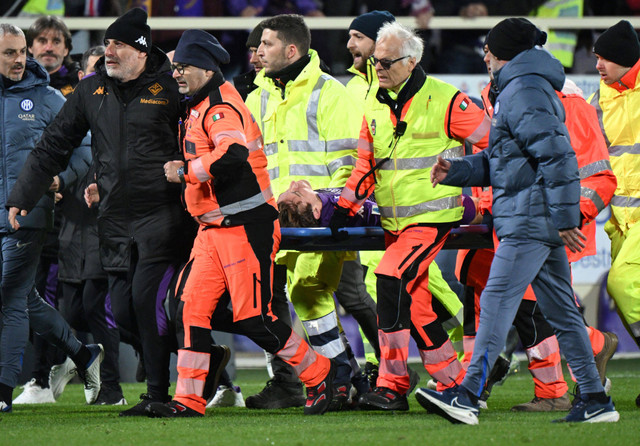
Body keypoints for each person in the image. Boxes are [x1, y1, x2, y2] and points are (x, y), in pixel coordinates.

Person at [419, 18, 619, 424]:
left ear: (502, 52)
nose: (485, 56)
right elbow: (506, 162)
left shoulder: (522, 89)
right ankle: (596, 399)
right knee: (561, 312)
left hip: (529, 218)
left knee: (495, 304)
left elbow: (558, 157)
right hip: (536, 216)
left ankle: (467, 395)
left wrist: (566, 217)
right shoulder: (524, 86)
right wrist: (456, 172)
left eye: (489, 48)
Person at [6, 8, 190, 417]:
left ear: (141, 52)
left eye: (118, 44)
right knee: (122, 312)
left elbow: (199, 139)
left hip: (162, 214)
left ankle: (157, 395)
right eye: (107, 43)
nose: (108, 51)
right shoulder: (91, 91)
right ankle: (204, 355)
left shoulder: (171, 87)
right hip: (114, 217)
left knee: (144, 302)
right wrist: (23, 193)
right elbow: (53, 145)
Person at [143, 29, 335, 418]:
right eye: (175, 66)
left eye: (184, 67)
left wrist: (186, 172)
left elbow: (231, 154)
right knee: (190, 310)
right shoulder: (202, 104)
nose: (176, 74)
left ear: (207, 69)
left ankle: (321, 375)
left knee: (254, 318)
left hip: (245, 228)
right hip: (214, 230)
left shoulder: (219, 108)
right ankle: (189, 400)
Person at [330, 20, 490, 411]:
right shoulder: (375, 103)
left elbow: (495, 146)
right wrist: (345, 206)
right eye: (375, 62)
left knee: (390, 276)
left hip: (433, 219)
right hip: (393, 224)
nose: (378, 68)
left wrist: (485, 201)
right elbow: (365, 165)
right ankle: (456, 383)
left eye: (386, 62)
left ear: (412, 60)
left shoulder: (448, 99)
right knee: (416, 305)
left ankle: (392, 384)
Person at [245, 14, 363, 410]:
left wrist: (329, 207)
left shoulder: (330, 92)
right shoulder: (256, 95)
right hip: (270, 221)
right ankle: (307, 381)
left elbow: (350, 162)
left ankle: (339, 379)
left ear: (291, 50)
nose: (258, 51)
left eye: (267, 44)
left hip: (319, 220)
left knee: (309, 293)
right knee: (264, 302)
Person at [0, 23, 103, 414]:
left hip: (28, 212)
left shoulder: (46, 100)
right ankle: (82, 352)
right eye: (10, 52)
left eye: (21, 51)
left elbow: (85, 148)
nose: (19, 59)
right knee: (24, 297)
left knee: (9, 297)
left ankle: (2, 390)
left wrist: (60, 178)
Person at [589, 19, 640, 408]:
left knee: (621, 286)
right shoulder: (599, 97)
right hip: (620, 219)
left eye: (604, 58)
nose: (598, 66)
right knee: (625, 295)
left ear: (625, 59)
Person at [232, 22, 266, 101]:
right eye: (251, 51)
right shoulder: (241, 89)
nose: (252, 60)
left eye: (259, 52)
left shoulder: (296, 90)